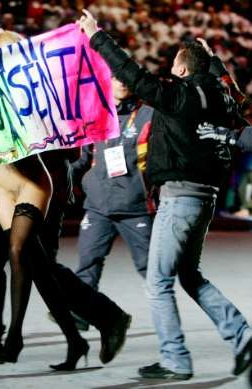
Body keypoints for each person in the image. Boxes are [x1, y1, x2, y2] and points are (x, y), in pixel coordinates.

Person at [78, 9, 252, 380]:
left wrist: (97, 37)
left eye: (174, 66)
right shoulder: (222, 97)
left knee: (158, 282)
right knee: (190, 275)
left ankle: (175, 359)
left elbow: (135, 77)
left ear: (183, 71)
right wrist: (216, 63)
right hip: (205, 198)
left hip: (179, 197)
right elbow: (236, 102)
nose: (170, 72)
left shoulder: (180, 95)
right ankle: (242, 337)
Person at [0, 31, 131, 370]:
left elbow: (67, 141)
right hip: (4, 180)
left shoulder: (37, 81)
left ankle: (105, 316)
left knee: (35, 262)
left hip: (43, 178)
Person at [71, 76, 154, 330]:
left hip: (135, 207)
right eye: (116, 76)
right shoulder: (94, 110)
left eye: (126, 75)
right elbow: (82, 158)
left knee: (152, 270)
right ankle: (82, 317)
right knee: (87, 264)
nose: (123, 81)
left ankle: (168, 331)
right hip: (98, 205)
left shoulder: (150, 114)